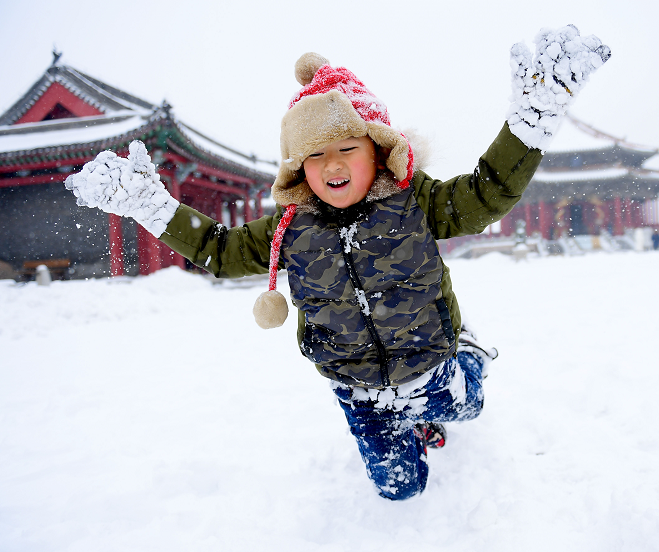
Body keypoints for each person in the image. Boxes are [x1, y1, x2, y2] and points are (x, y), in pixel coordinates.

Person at [64, 26, 610, 500]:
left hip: (430, 363)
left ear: (378, 147)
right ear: (300, 167)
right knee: (402, 489)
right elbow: (221, 251)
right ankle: (406, 433)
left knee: (466, 406)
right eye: (315, 154)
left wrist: (527, 127)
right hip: (358, 390)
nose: (332, 164)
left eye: (346, 147)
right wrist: (155, 209)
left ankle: (468, 353)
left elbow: (487, 193)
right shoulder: (288, 229)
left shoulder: (417, 203)